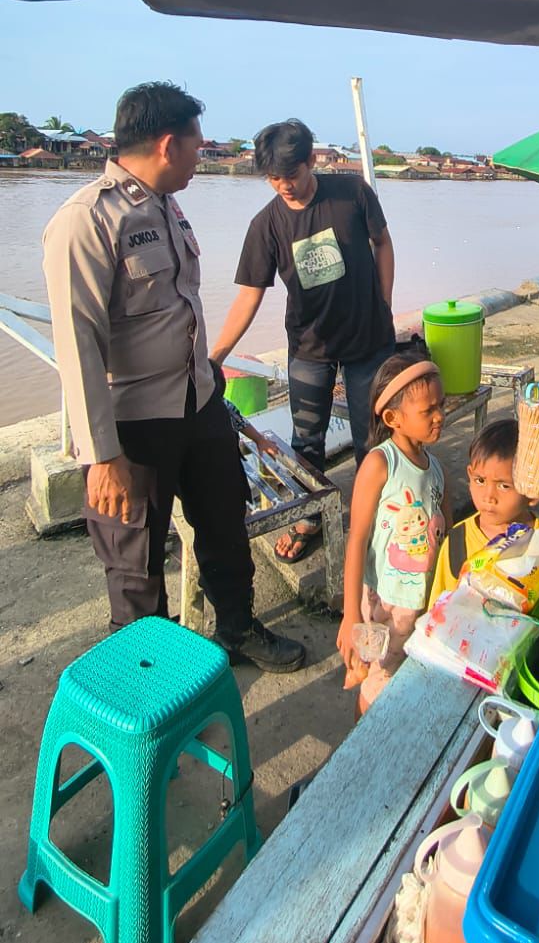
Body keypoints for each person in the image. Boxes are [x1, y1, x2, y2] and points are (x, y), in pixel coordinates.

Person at [42, 81, 305, 672]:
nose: (199, 158)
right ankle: (151, 685)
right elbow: (78, 345)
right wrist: (100, 455)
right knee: (135, 564)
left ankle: (237, 629)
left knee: (224, 525)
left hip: (198, 403)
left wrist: (210, 390)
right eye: (196, 147)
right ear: (167, 145)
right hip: (134, 427)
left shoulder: (166, 203)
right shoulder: (85, 220)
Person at [211, 119, 396, 561]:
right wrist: (217, 353)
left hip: (369, 339)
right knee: (306, 438)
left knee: (370, 435)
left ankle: (374, 519)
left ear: (311, 161)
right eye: (273, 179)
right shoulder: (266, 224)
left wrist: (385, 305)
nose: (283, 186)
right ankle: (311, 516)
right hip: (310, 347)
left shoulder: (352, 193)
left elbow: (383, 243)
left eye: (290, 175)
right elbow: (250, 294)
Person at [336, 354, 450, 711]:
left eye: (441, 405)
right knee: (376, 681)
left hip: (418, 605)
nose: (440, 416)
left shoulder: (437, 470)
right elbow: (356, 539)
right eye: (428, 410)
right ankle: (362, 745)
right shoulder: (380, 463)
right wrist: (349, 613)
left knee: (398, 679)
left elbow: (444, 535)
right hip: (382, 603)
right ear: (392, 419)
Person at [429, 418, 539, 606]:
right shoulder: (457, 543)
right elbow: (438, 610)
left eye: (504, 486)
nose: (488, 497)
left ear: (532, 492)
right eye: (480, 480)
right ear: (470, 475)